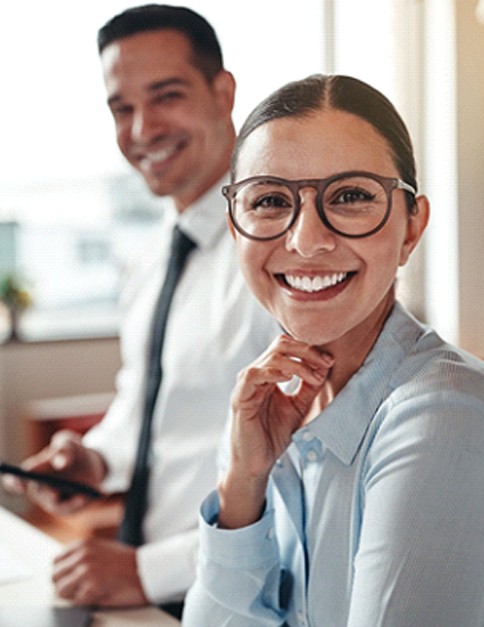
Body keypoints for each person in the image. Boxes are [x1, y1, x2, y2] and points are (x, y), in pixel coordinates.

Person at [182, 74, 484, 626]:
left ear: (412, 227)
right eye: (268, 200)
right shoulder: (263, 405)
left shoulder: (445, 418)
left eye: (352, 196)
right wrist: (243, 482)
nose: (306, 239)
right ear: (236, 231)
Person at [2, 4, 277, 617]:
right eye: (121, 108)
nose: (141, 129)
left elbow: (306, 472)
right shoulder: (151, 256)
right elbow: (146, 404)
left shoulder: (281, 254)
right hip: (141, 592)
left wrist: (149, 571)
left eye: (166, 96)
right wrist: (95, 460)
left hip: (236, 593)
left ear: (222, 91)